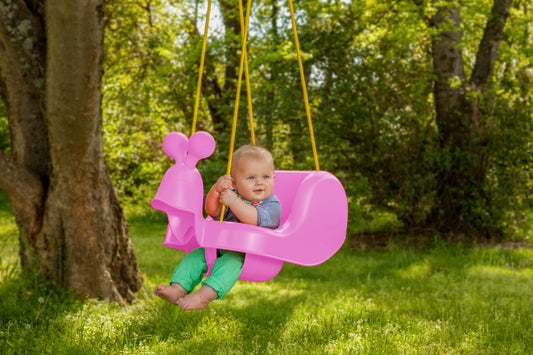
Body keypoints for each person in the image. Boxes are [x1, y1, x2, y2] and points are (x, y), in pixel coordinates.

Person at [154, 145, 281, 310]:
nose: (259, 182)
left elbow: (253, 219)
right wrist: (216, 191)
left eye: (266, 176)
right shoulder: (233, 195)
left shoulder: (272, 204)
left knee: (231, 262)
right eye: (251, 178)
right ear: (234, 182)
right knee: (196, 256)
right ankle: (178, 288)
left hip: (251, 255)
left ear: (274, 177)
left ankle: (203, 296)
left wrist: (233, 202)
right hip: (221, 247)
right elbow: (213, 211)